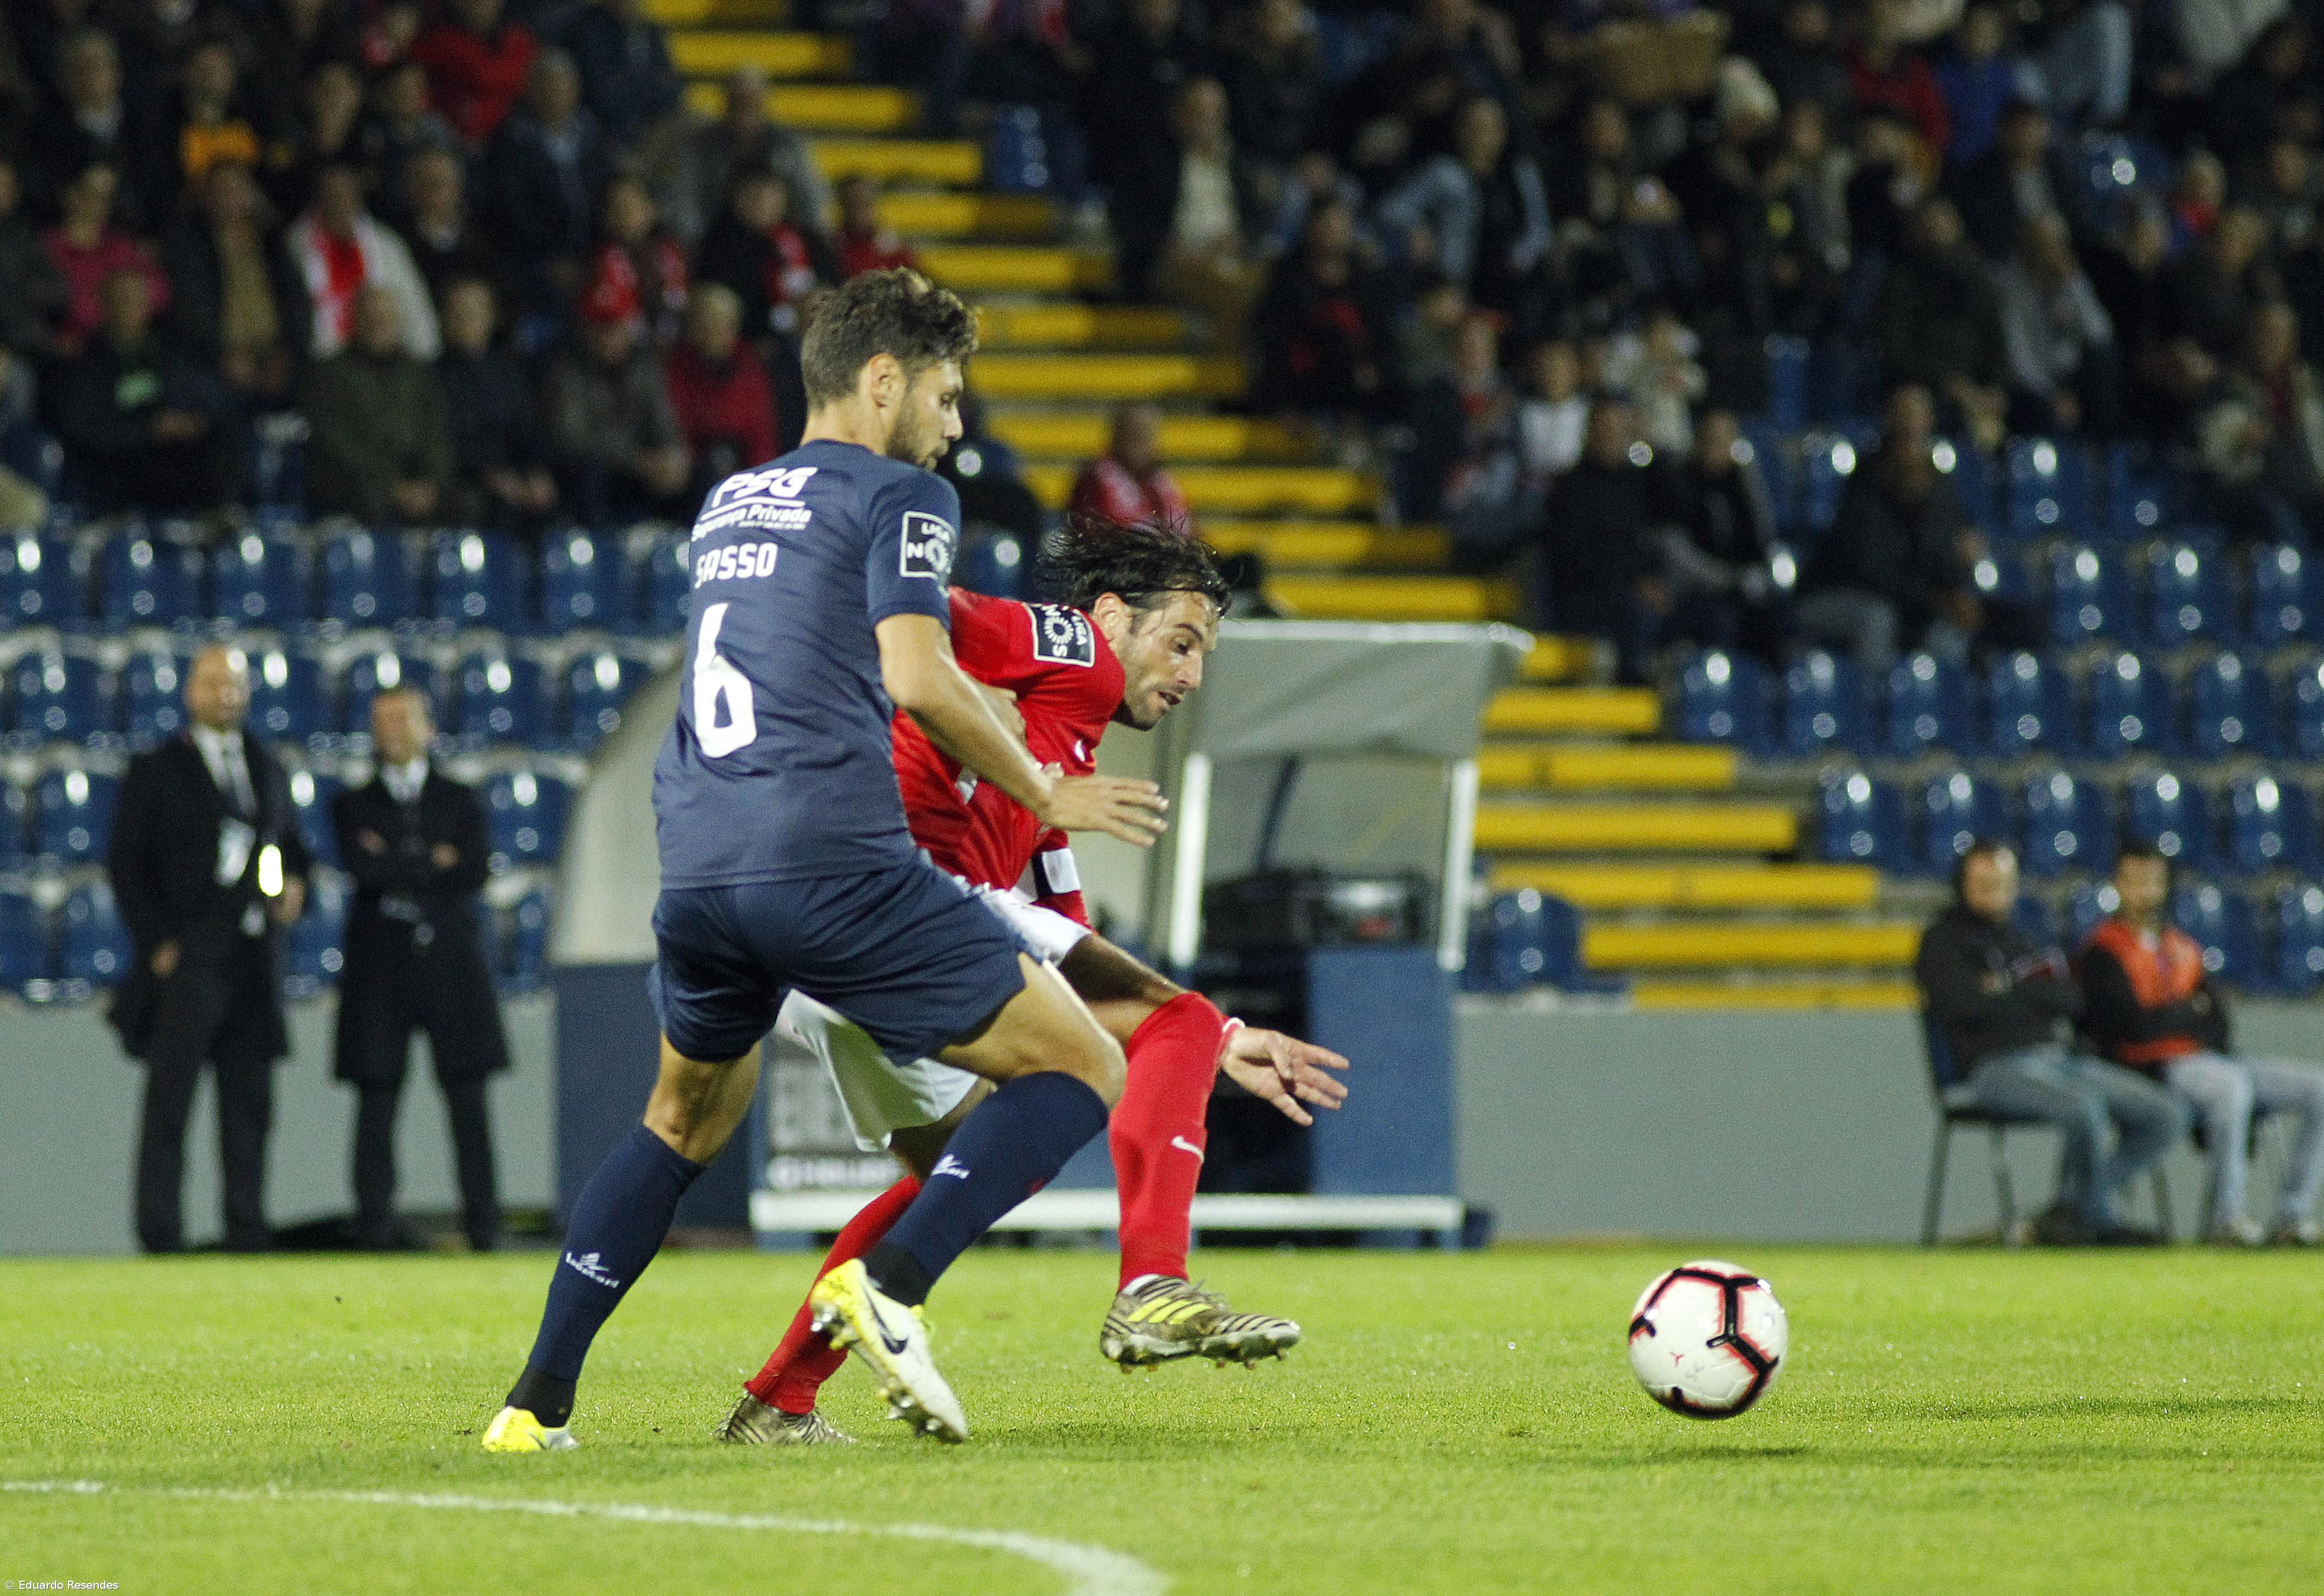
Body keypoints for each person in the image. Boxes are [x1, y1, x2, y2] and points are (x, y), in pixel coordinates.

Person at [481, 268, 1170, 1452]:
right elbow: (915, 672)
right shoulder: (901, 495)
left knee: (678, 1124)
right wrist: (1040, 785)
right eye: (948, 398)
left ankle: (530, 1406)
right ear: (884, 381)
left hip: (698, 860)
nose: (958, 428)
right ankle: (889, 1286)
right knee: (1081, 1066)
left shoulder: (732, 501)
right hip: (829, 859)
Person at [721, 520, 1347, 1444]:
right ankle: (1152, 1283)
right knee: (1169, 1018)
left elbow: (1068, 930)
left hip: (821, 938)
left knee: (970, 1165)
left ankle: (780, 1400)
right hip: (899, 893)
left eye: (1204, 653)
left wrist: (1215, 1042)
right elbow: (919, 616)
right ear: (1109, 618)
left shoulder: (1056, 742)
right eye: (1180, 642)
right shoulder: (1076, 651)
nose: (1191, 675)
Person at [107, 645, 313, 1254]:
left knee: (249, 1102)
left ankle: (246, 1227)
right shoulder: (156, 768)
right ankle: (160, 1232)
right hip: (191, 957)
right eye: (213, 683)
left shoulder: (266, 765)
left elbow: (291, 846)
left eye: (235, 685)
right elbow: (126, 864)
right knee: (171, 1100)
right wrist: (158, 944)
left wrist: (295, 884)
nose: (225, 694)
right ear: (190, 691)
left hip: (254, 959)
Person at [1915, 839, 2181, 1245]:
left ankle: (2073, 1211)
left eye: (2002, 884)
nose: (1994, 894)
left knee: (2164, 1115)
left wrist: (2007, 994)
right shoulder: (1941, 943)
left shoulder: (2023, 939)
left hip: (2058, 1059)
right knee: (2084, 1109)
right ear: (1962, 885)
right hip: (1992, 1068)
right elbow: (1964, 1008)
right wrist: (2031, 997)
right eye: (1983, 884)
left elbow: (2071, 998)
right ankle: (2096, 1222)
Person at [333, 687, 507, 1253]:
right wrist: (432, 859)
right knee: (377, 1098)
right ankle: (374, 1227)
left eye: (405, 719)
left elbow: (473, 869)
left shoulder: (460, 800)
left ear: (429, 728)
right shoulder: (351, 804)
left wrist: (398, 862)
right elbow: (365, 867)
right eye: (382, 720)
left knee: (468, 1098)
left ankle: (484, 1225)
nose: (394, 731)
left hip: (452, 966)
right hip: (379, 972)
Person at [2079, 844, 2324, 1245]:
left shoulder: (2182, 948)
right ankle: (2227, 1218)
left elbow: (2218, 1024)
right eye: (2134, 880)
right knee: (2230, 1086)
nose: (2144, 890)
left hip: (2209, 1059)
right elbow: (2127, 1028)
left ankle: (2293, 1216)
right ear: (2117, 885)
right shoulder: (2103, 950)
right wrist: (2185, 1013)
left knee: (2318, 1087)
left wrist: (2175, 1016)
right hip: (2154, 1069)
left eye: (2152, 881)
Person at [49, 265, 233, 514]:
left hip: (179, 457)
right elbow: (85, 432)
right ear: (104, 305)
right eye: (123, 300)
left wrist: (190, 423)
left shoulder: (171, 351)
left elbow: (208, 399)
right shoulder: (85, 363)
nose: (132, 309)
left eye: (139, 300)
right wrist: (149, 430)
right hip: (122, 466)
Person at [540, 270, 689, 523]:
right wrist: (639, 461)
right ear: (585, 326)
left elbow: (665, 427)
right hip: (593, 475)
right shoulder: (564, 369)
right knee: (591, 474)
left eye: (615, 324)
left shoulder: (645, 367)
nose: (608, 336)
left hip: (640, 474)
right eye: (600, 326)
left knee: (699, 480)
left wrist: (673, 458)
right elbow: (571, 439)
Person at [301, 283, 454, 526]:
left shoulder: (419, 374)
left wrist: (431, 484)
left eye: (385, 318)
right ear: (356, 321)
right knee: (371, 502)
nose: (379, 325)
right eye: (371, 318)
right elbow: (336, 444)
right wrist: (392, 487)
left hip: (417, 483)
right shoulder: (330, 375)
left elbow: (436, 434)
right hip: (358, 485)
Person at [436, 274, 558, 530]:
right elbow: (442, 443)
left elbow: (529, 431)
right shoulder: (433, 377)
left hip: (516, 481)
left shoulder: (510, 373)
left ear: (491, 317)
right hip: (469, 485)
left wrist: (536, 473)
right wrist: (489, 477)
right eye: (459, 312)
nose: (467, 320)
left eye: (475, 311)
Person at [287, 164, 440, 361]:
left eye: (345, 195)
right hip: (323, 363)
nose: (339, 203)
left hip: (387, 363)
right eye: (332, 196)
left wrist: (421, 364)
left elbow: (416, 313)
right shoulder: (297, 247)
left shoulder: (387, 246)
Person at [665, 281, 778, 505]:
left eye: (722, 325)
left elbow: (762, 439)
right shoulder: (676, 369)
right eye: (706, 324)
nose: (714, 333)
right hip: (693, 478)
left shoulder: (750, 370)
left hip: (745, 473)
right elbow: (675, 432)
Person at [1067, 404, 1192, 530]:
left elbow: (1194, 533)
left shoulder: (1162, 485)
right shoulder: (1095, 480)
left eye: (1146, 434)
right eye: (1134, 433)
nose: (1140, 443)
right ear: (1116, 436)